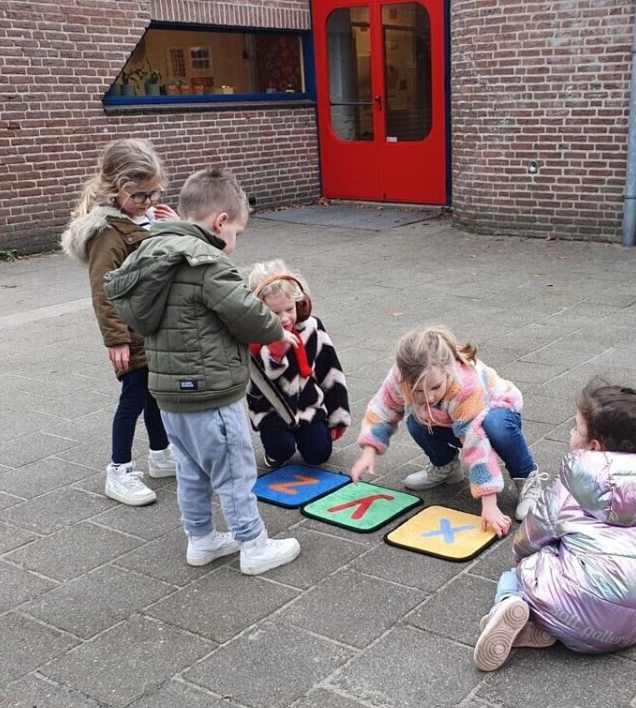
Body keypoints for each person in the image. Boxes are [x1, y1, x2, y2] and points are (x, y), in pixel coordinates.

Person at [104, 167, 300, 576]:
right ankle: (253, 545)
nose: (235, 242)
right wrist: (276, 331)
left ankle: (201, 539)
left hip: (170, 395)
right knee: (234, 471)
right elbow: (246, 313)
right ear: (220, 222)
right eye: (237, 233)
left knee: (191, 471)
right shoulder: (207, 262)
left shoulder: (152, 254)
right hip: (211, 393)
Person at [473, 381, 636, 672]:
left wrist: (520, 559)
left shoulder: (570, 487)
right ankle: (540, 627)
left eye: (576, 428)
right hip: (632, 629)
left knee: (524, 567)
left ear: (594, 447)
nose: (570, 432)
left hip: (567, 610)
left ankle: (508, 602)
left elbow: (532, 534)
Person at [62, 139, 180, 507]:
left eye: (154, 192)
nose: (149, 201)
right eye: (140, 195)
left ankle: (161, 454)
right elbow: (103, 290)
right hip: (131, 332)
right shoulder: (108, 234)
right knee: (133, 398)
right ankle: (119, 470)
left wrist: (176, 227)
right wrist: (116, 339)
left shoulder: (148, 218)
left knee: (154, 393)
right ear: (116, 190)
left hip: (154, 327)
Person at [350, 325, 547, 536]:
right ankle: (446, 467)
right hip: (449, 418)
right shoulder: (400, 375)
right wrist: (369, 451)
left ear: (447, 371)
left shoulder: (465, 385)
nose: (429, 396)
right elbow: (383, 409)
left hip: (496, 409)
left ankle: (526, 476)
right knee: (416, 420)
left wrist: (489, 503)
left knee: (496, 426)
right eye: (418, 390)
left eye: (435, 387)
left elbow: (476, 443)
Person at [244, 260, 350, 467]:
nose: (284, 318)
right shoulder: (254, 337)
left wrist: (339, 414)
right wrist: (274, 356)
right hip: (271, 409)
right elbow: (255, 386)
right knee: (281, 449)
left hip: (308, 405)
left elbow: (331, 370)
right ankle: (275, 449)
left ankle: (311, 437)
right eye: (275, 313)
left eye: (289, 309)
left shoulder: (311, 327)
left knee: (319, 454)